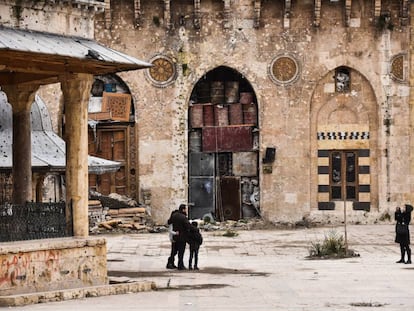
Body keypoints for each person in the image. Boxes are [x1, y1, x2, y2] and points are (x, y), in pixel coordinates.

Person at [168, 204, 192, 270]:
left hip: (175, 236)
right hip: (182, 237)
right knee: (181, 252)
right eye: (185, 209)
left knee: (174, 251)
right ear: (183, 209)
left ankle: (170, 263)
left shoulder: (174, 215)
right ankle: (180, 265)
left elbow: (169, 222)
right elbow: (188, 226)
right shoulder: (183, 217)